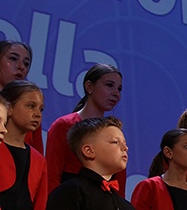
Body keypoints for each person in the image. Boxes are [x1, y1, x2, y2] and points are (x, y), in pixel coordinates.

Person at [45, 65, 126, 194]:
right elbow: (52, 175)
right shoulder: (64, 125)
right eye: (109, 85)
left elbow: (119, 180)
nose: (116, 93)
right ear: (89, 87)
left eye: (119, 89)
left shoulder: (114, 132)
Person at [0, 42, 37, 152]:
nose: (21, 67)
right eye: (13, 59)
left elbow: (36, 154)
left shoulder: (31, 110)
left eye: (26, 64)